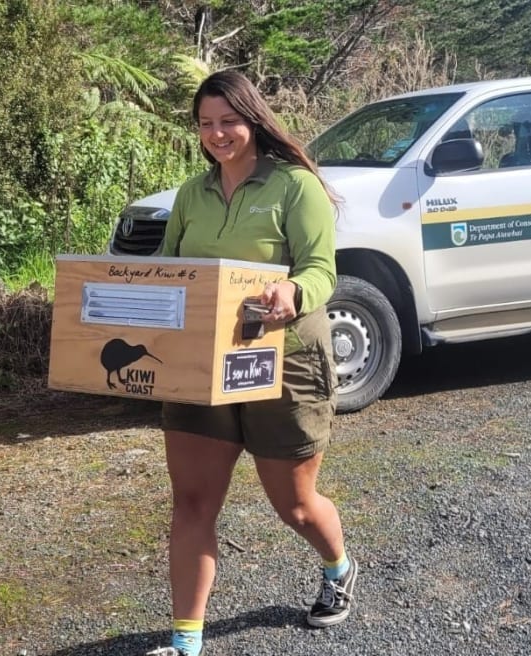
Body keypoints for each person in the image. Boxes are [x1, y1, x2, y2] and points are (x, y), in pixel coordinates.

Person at [145, 70, 356, 656]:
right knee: (191, 502)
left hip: (284, 362)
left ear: (253, 119)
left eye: (228, 121)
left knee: (292, 503)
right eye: (206, 124)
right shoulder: (192, 193)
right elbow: (170, 271)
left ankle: (337, 566)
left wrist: (293, 292)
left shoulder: (294, 186)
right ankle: (187, 642)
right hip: (201, 364)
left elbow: (321, 270)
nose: (217, 134)